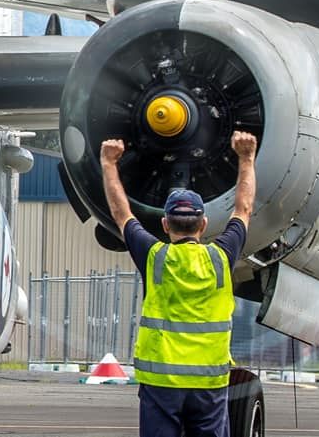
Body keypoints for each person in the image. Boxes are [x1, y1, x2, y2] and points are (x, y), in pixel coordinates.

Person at [100, 131, 257, 437]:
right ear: (203, 224)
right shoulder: (221, 258)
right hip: (208, 383)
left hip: (161, 384)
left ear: (164, 224)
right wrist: (246, 158)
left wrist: (108, 163)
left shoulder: (154, 256)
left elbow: (121, 213)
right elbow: (244, 210)